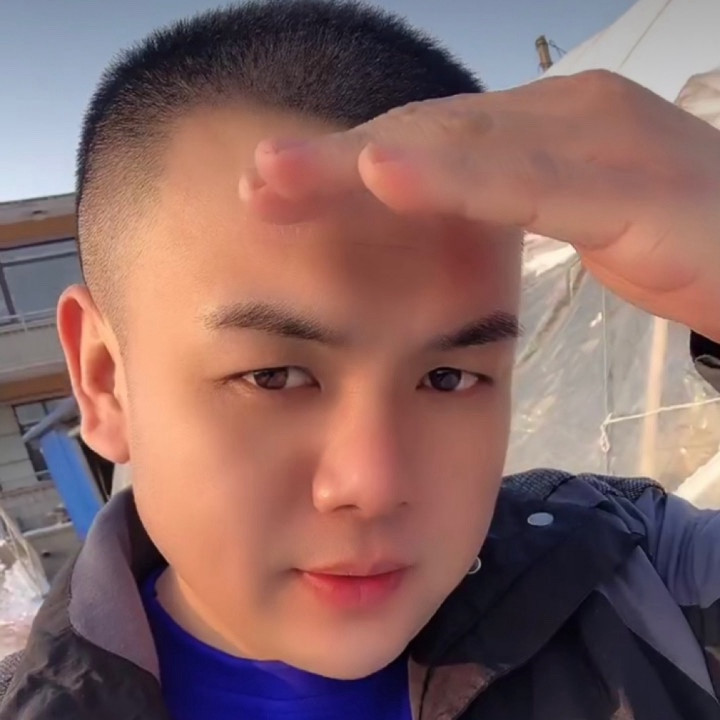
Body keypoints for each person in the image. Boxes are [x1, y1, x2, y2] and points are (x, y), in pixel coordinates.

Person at [2, 1, 720, 718]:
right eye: (274, 377)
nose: (373, 486)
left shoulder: (647, 590)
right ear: (105, 381)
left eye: (448, 378)